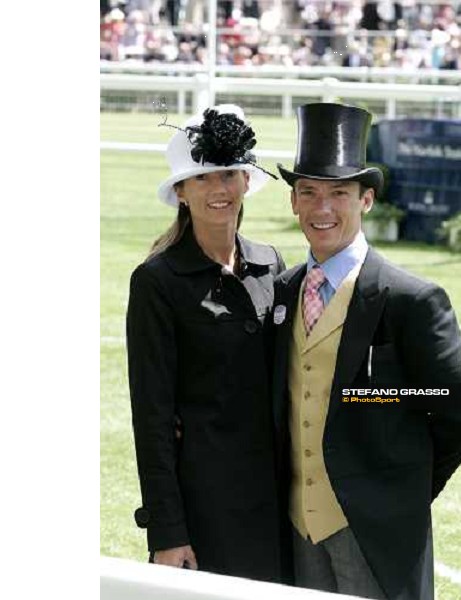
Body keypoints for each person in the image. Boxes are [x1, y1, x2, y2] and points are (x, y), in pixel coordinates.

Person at [269, 103, 461, 600]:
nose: (322, 208)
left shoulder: (413, 300)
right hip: (298, 528)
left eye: (339, 193)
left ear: (366, 200)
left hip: (377, 534)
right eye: (309, 192)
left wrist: (396, 493)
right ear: (294, 203)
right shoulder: (282, 292)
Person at [126, 104, 287, 583]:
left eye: (229, 175)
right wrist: (168, 533)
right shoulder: (157, 282)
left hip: (278, 500)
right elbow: (151, 418)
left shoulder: (271, 263)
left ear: (245, 182)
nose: (219, 189)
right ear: (181, 192)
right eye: (203, 178)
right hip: (206, 508)